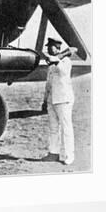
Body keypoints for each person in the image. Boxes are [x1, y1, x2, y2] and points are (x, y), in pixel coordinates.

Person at [41, 37, 78, 165]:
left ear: (57, 47)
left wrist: (56, 60)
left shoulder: (66, 61)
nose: (48, 49)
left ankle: (69, 155)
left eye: (50, 46)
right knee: (53, 128)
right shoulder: (52, 64)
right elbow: (48, 84)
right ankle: (53, 153)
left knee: (66, 128)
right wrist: (45, 100)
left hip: (63, 99)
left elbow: (63, 72)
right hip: (52, 100)